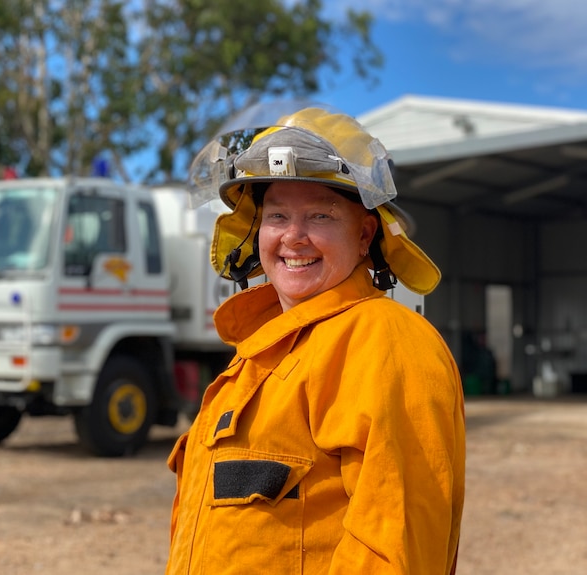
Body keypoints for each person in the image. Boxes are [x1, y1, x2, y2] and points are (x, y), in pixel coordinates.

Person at [165, 103, 466, 574]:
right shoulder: (261, 352)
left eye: (321, 217)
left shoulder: (382, 342)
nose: (294, 237)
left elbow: (395, 548)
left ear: (365, 234)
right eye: (278, 215)